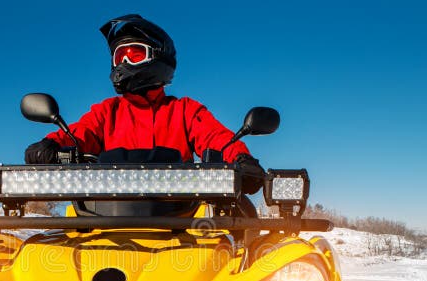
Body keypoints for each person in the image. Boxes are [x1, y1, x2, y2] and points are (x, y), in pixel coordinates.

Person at [25, 14, 266, 194]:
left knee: (238, 224)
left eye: (134, 54)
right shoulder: (107, 112)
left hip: (180, 214)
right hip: (107, 212)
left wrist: (241, 159)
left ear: (159, 56)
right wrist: (50, 144)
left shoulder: (185, 111)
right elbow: (79, 134)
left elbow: (216, 138)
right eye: (120, 56)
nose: (124, 63)